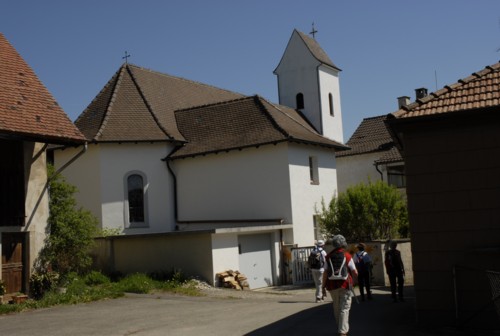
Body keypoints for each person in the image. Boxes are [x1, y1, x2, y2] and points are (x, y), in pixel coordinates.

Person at [322, 235, 358, 336]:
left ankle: (340, 327)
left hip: (332, 285)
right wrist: (354, 282)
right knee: (345, 308)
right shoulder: (347, 255)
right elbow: (354, 272)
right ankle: (342, 331)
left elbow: (325, 273)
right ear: (343, 243)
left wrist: (323, 287)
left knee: (336, 307)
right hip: (345, 285)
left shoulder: (328, 256)